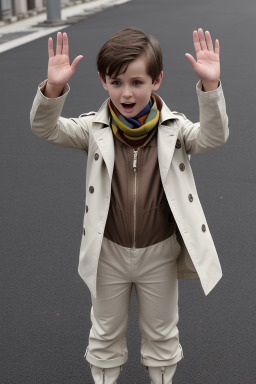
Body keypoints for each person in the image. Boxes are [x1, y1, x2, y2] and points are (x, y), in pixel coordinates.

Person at [30, 27, 229, 384]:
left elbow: (213, 136)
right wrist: (54, 89)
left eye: (137, 82)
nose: (126, 92)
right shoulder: (93, 128)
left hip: (159, 253)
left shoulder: (175, 128)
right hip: (108, 252)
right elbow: (46, 128)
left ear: (157, 81)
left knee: (162, 331)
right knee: (105, 331)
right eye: (116, 81)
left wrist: (211, 87)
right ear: (103, 81)